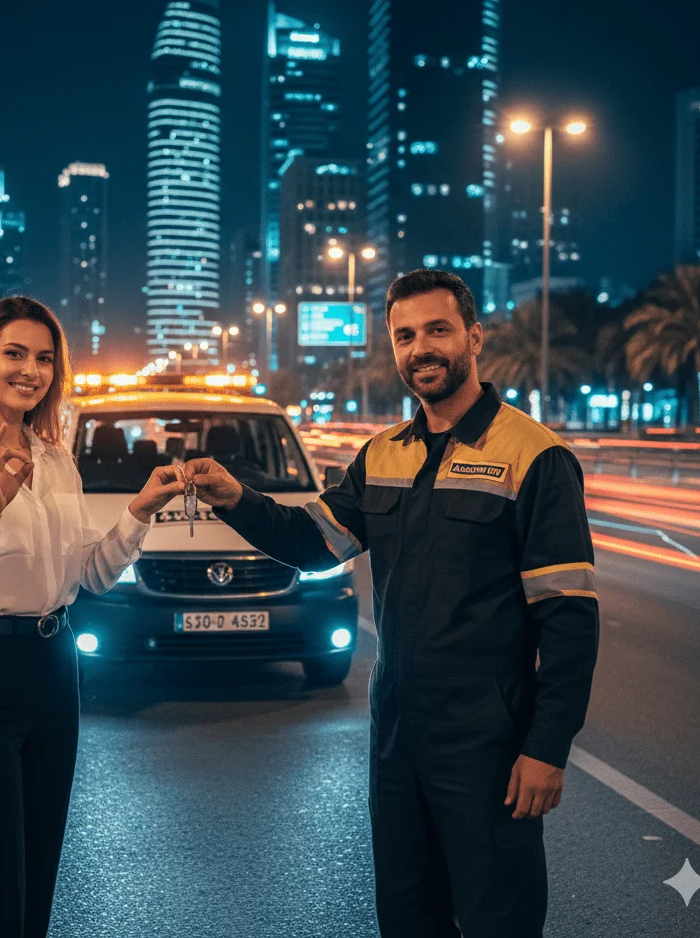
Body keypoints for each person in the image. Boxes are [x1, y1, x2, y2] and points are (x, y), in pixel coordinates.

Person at [186, 270, 599, 938]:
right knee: (408, 921)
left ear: (474, 337)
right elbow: (313, 544)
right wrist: (236, 498)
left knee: (501, 922)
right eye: (404, 336)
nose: (420, 349)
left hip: (488, 747)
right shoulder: (384, 456)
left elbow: (570, 618)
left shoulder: (535, 456)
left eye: (437, 330)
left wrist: (547, 749)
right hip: (398, 742)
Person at [0, 296, 184, 938]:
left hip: (54, 671)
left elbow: (86, 573)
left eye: (43, 358)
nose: (30, 370)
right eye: (13, 354)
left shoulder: (57, 457)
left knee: (37, 885)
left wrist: (140, 510)